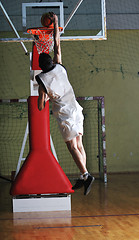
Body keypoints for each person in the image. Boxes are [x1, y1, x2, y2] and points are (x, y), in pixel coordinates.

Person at [35, 13, 94, 195]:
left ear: (41, 67)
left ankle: (85, 174)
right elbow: (57, 43)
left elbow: (39, 106)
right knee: (80, 145)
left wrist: (44, 96)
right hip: (76, 109)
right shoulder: (60, 66)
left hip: (65, 115)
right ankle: (84, 176)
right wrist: (56, 23)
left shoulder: (42, 80)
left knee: (72, 147)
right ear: (51, 61)